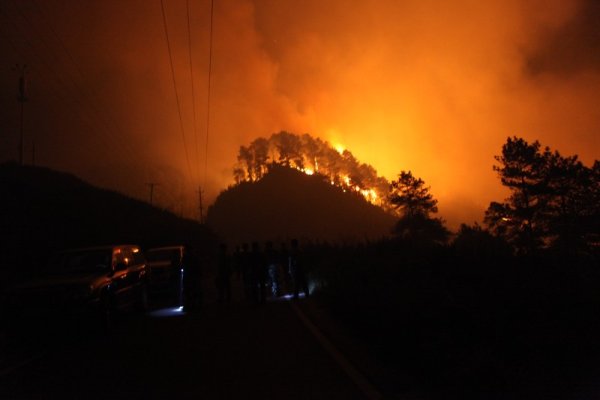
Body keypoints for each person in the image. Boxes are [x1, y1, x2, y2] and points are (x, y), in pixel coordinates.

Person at [182, 245, 203, 312]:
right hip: (193, 276)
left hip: (189, 276)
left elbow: (182, 265)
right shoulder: (194, 257)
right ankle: (194, 305)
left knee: (189, 292)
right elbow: (199, 266)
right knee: (193, 291)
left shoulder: (186, 257)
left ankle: (189, 305)